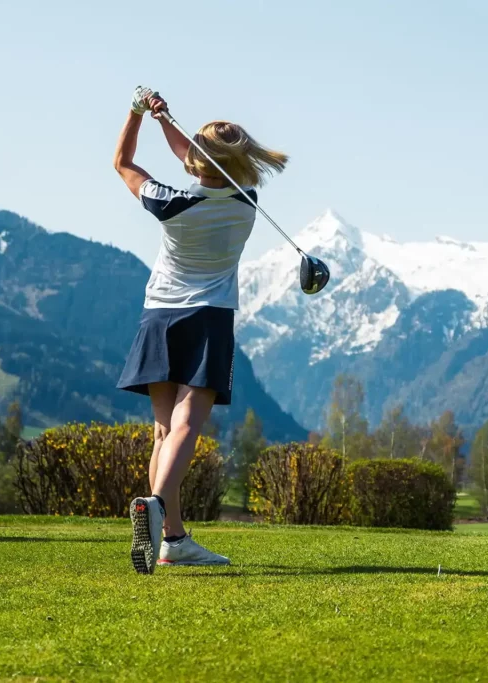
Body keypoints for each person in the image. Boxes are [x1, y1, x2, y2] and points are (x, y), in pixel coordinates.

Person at [113, 86, 288, 574]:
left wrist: (138, 114)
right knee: (187, 426)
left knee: (165, 430)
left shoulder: (169, 203)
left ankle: (172, 539)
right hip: (208, 316)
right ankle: (156, 508)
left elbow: (123, 163)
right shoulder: (246, 202)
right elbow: (197, 159)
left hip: (158, 316)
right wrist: (167, 122)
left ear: (196, 159)